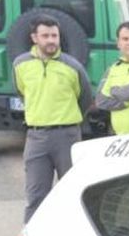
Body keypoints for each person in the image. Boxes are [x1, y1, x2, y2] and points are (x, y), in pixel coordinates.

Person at [13, 16, 92, 222]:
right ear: (34, 38)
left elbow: (84, 98)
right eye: (45, 36)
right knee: (35, 195)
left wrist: (66, 118)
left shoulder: (72, 66)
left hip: (67, 136)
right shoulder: (20, 65)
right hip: (36, 137)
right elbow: (23, 92)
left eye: (54, 36)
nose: (51, 40)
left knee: (73, 193)